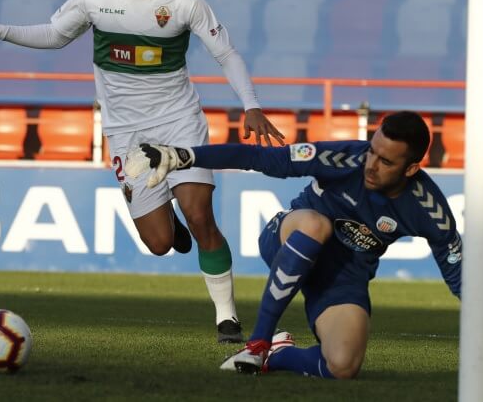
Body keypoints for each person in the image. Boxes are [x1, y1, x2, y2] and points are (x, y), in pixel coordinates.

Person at [0, 0, 284, 342]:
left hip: (178, 123)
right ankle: (170, 227)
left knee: (199, 214)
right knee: (157, 242)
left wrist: (251, 105)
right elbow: (55, 35)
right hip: (126, 134)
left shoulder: (182, 1)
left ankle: (226, 317)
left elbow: (226, 53)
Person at [125, 111, 462, 378]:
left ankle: (278, 353)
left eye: (386, 162)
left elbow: (458, 273)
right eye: (372, 151)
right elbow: (261, 158)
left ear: (412, 168)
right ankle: (257, 343)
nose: (371, 165)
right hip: (290, 237)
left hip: (342, 278)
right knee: (317, 224)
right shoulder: (344, 158)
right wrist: (184, 156)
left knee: (343, 366)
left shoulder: (428, 208)